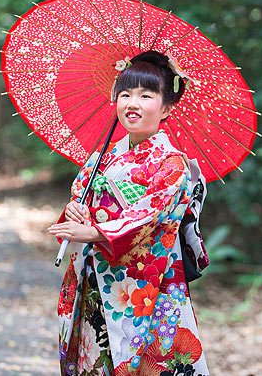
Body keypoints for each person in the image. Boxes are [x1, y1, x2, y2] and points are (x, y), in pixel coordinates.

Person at [48, 50, 209, 376]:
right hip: (96, 271)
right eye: (125, 94)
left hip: (145, 282)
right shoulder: (103, 156)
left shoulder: (171, 162)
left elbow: (153, 216)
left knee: (146, 360)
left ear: (165, 107)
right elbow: (81, 193)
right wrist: (78, 209)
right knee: (93, 360)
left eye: (145, 95)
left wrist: (96, 232)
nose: (131, 103)